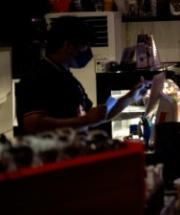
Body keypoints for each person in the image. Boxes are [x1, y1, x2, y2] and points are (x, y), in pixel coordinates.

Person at [15, 16, 148, 135]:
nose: (88, 52)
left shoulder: (67, 77)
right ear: (68, 45)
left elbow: (97, 116)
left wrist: (131, 97)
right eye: (86, 46)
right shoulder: (37, 77)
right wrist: (85, 121)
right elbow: (32, 124)